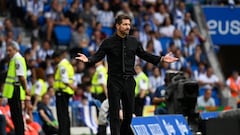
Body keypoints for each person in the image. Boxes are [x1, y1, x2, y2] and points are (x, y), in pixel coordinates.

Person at [75, 14, 178, 135]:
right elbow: (98, 56)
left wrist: (161, 59)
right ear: (117, 26)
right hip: (114, 81)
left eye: (129, 24)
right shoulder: (108, 42)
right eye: (124, 24)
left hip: (129, 81)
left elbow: (144, 54)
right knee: (114, 114)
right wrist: (88, 60)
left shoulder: (133, 41)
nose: (128, 27)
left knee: (128, 115)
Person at [3, 40, 29, 135]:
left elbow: (21, 77)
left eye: (10, 50)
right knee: (15, 116)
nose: (8, 53)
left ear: (15, 49)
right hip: (12, 91)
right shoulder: (13, 60)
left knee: (17, 116)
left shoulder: (17, 59)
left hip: (16, 90)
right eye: (7, 51)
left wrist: (26, 89)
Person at [52, 50, 76, 135]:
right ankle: (66, 132)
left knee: (62, 115)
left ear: (58, 58)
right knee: (65, 114)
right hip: (66, 92)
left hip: (62, 92)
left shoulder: (62, 65)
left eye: (54, 59)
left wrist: (73, 88)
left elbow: (64, 80)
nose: (54, 61)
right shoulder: (68, 65)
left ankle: (63, 132)